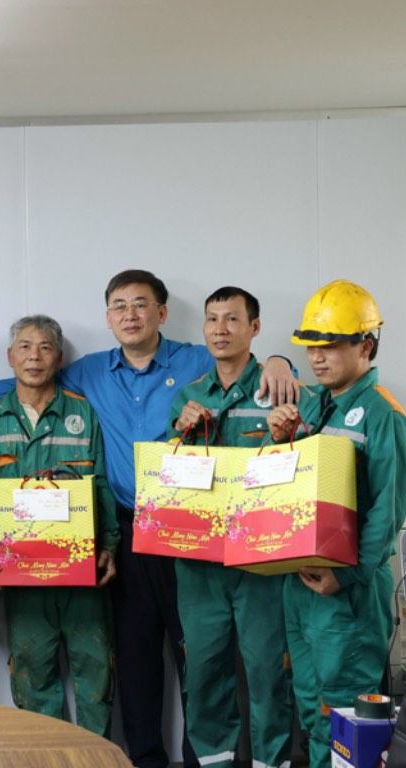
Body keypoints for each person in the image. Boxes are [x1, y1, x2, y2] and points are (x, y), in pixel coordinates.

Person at [0, 269, 297, 768]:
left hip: (193, 530)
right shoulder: (88, 371)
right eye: (119, 306)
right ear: (108, 317)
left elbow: (245, 360)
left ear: (161, 313)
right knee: (135, 657)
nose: (130, 315)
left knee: (199, 656)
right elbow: (25, 379)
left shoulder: (196, 357)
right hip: (127, 528)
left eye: (141, 305)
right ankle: (146, 758)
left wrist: (282, 361)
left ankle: (203, 759)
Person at [266, 279, 406, 767]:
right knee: (312, 712)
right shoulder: (312, 406)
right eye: (312, 347)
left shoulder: (385, 416)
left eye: (330, 346)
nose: (317, 358)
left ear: (365, 346)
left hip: (345, 593)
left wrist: (344, 576)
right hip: (303, 586)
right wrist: (279, 441)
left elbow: (387, 514)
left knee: (346, 715)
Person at [0, 315, 118, 734]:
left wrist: (109, 543)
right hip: (21, 574)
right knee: (33, 675)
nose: (34, 356)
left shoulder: (83, 414)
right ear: (10, 356)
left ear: (58, 357)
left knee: (96, 673)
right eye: (24, 347)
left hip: (82, 572)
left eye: (45, 347)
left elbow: (102, 481)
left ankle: (95, 761)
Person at [167, 286, 292, 768]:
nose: (220, 329)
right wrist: (180, 427)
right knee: (204, 672)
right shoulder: (190, 394)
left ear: (254, 328)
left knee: (266, 671)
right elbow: (168, 472)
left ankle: (272, 762)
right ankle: (214, 763)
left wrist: (288, 433)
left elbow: (303, 464)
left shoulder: (278, 386)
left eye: (232, 320)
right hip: (199, 563)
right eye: (212, 320)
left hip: (263, 560)